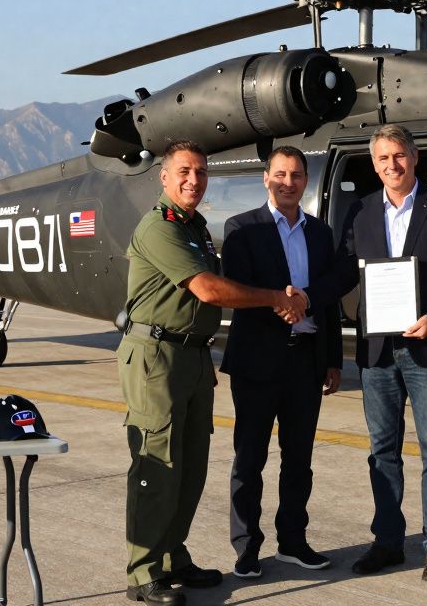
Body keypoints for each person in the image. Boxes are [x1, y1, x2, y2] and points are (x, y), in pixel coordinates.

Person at [117, 140, 307, 606]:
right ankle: (143, 572)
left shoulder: (195, 227)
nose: (193, 181)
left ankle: (172, 556)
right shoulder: (159, 227)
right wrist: (276, 298)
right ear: (164, 177)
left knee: (191, 466)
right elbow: (207, 289)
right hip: (156, 358)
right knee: (157, 465)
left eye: (201, 173)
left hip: (192, 356)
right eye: (184, 172)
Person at [332, 124, 427, 582]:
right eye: (382, 159)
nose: (391, 165)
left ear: (414, 158)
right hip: (377, 351)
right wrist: (297, 295)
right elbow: (342, 273)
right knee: (383, 451)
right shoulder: (360, 212)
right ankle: (388, 542)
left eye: (399, 156)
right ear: (374, 165)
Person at [220, 145, 343, 579]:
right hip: (257, 362)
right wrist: (284, 304)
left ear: (306, 181)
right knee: (249, 459)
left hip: (305, 361)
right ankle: (247, 546)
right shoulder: (241, 228)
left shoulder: (319, 233)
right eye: (280, 174)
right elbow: (238, 287)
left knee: (299, 460)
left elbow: (327, 299)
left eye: (295, 176)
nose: (287, 182)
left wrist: (332, 359)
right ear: (265, 178)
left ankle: (293, 541)